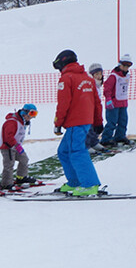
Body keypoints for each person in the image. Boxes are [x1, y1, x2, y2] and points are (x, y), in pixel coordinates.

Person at [53, 49, 104, 196]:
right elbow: (96, 102)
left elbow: (63, 103)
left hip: (75, 122)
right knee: (63, 151)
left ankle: (89, 184)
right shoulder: (87, 79)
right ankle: (75, 181)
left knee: (77, 151)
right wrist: (97, 121)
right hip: (84, 122)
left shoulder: (66, 78)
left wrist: (58, 122)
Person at [0, 104, 38, 189]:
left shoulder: (22, 121)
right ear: (25, 112)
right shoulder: (12, 121)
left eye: (34, 114)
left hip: (16, 146)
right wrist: (16, 145)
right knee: (9, 164)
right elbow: (8, 136)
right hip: (8, 147)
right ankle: (6, 183)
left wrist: (17, 146)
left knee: (24, 159)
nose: (32, 117)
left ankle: (21, 177)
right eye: (31, 114)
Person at [101, 54, 132, 147]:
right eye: (124, 65)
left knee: (123, 121)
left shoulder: (127, 76)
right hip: (113, 103)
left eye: (128, 66)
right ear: (120, 65)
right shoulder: (113, 76)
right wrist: (109, 99)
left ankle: (120, 136)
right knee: (112, 122)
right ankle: (106, 139)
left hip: (122, 102)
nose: (126, 68)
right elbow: (107, 88)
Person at [87, 63, 106, 152]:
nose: (99, 76)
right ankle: (87, 144)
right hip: (90, 109)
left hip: (97, 108)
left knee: (95, 127)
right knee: (89, 128)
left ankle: (94, 142)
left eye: (100, 74)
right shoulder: (91, 84)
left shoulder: (98, 85)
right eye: (96, 74)